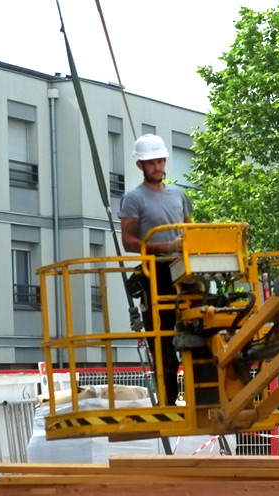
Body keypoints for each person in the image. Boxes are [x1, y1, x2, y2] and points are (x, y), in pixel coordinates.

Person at [119, 134, 192, 405]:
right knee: (161, 341)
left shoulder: (179, 195)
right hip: (156, 273)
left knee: (199, 327)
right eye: (152, 163)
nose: (158, 167)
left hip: (184, 271)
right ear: (141, 166)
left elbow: (189, 230)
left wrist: (186, 246)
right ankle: (168, 399)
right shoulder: (134, 199)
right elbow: (129, 241)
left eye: (161, 161)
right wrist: (166, 246)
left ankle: (202, 392)